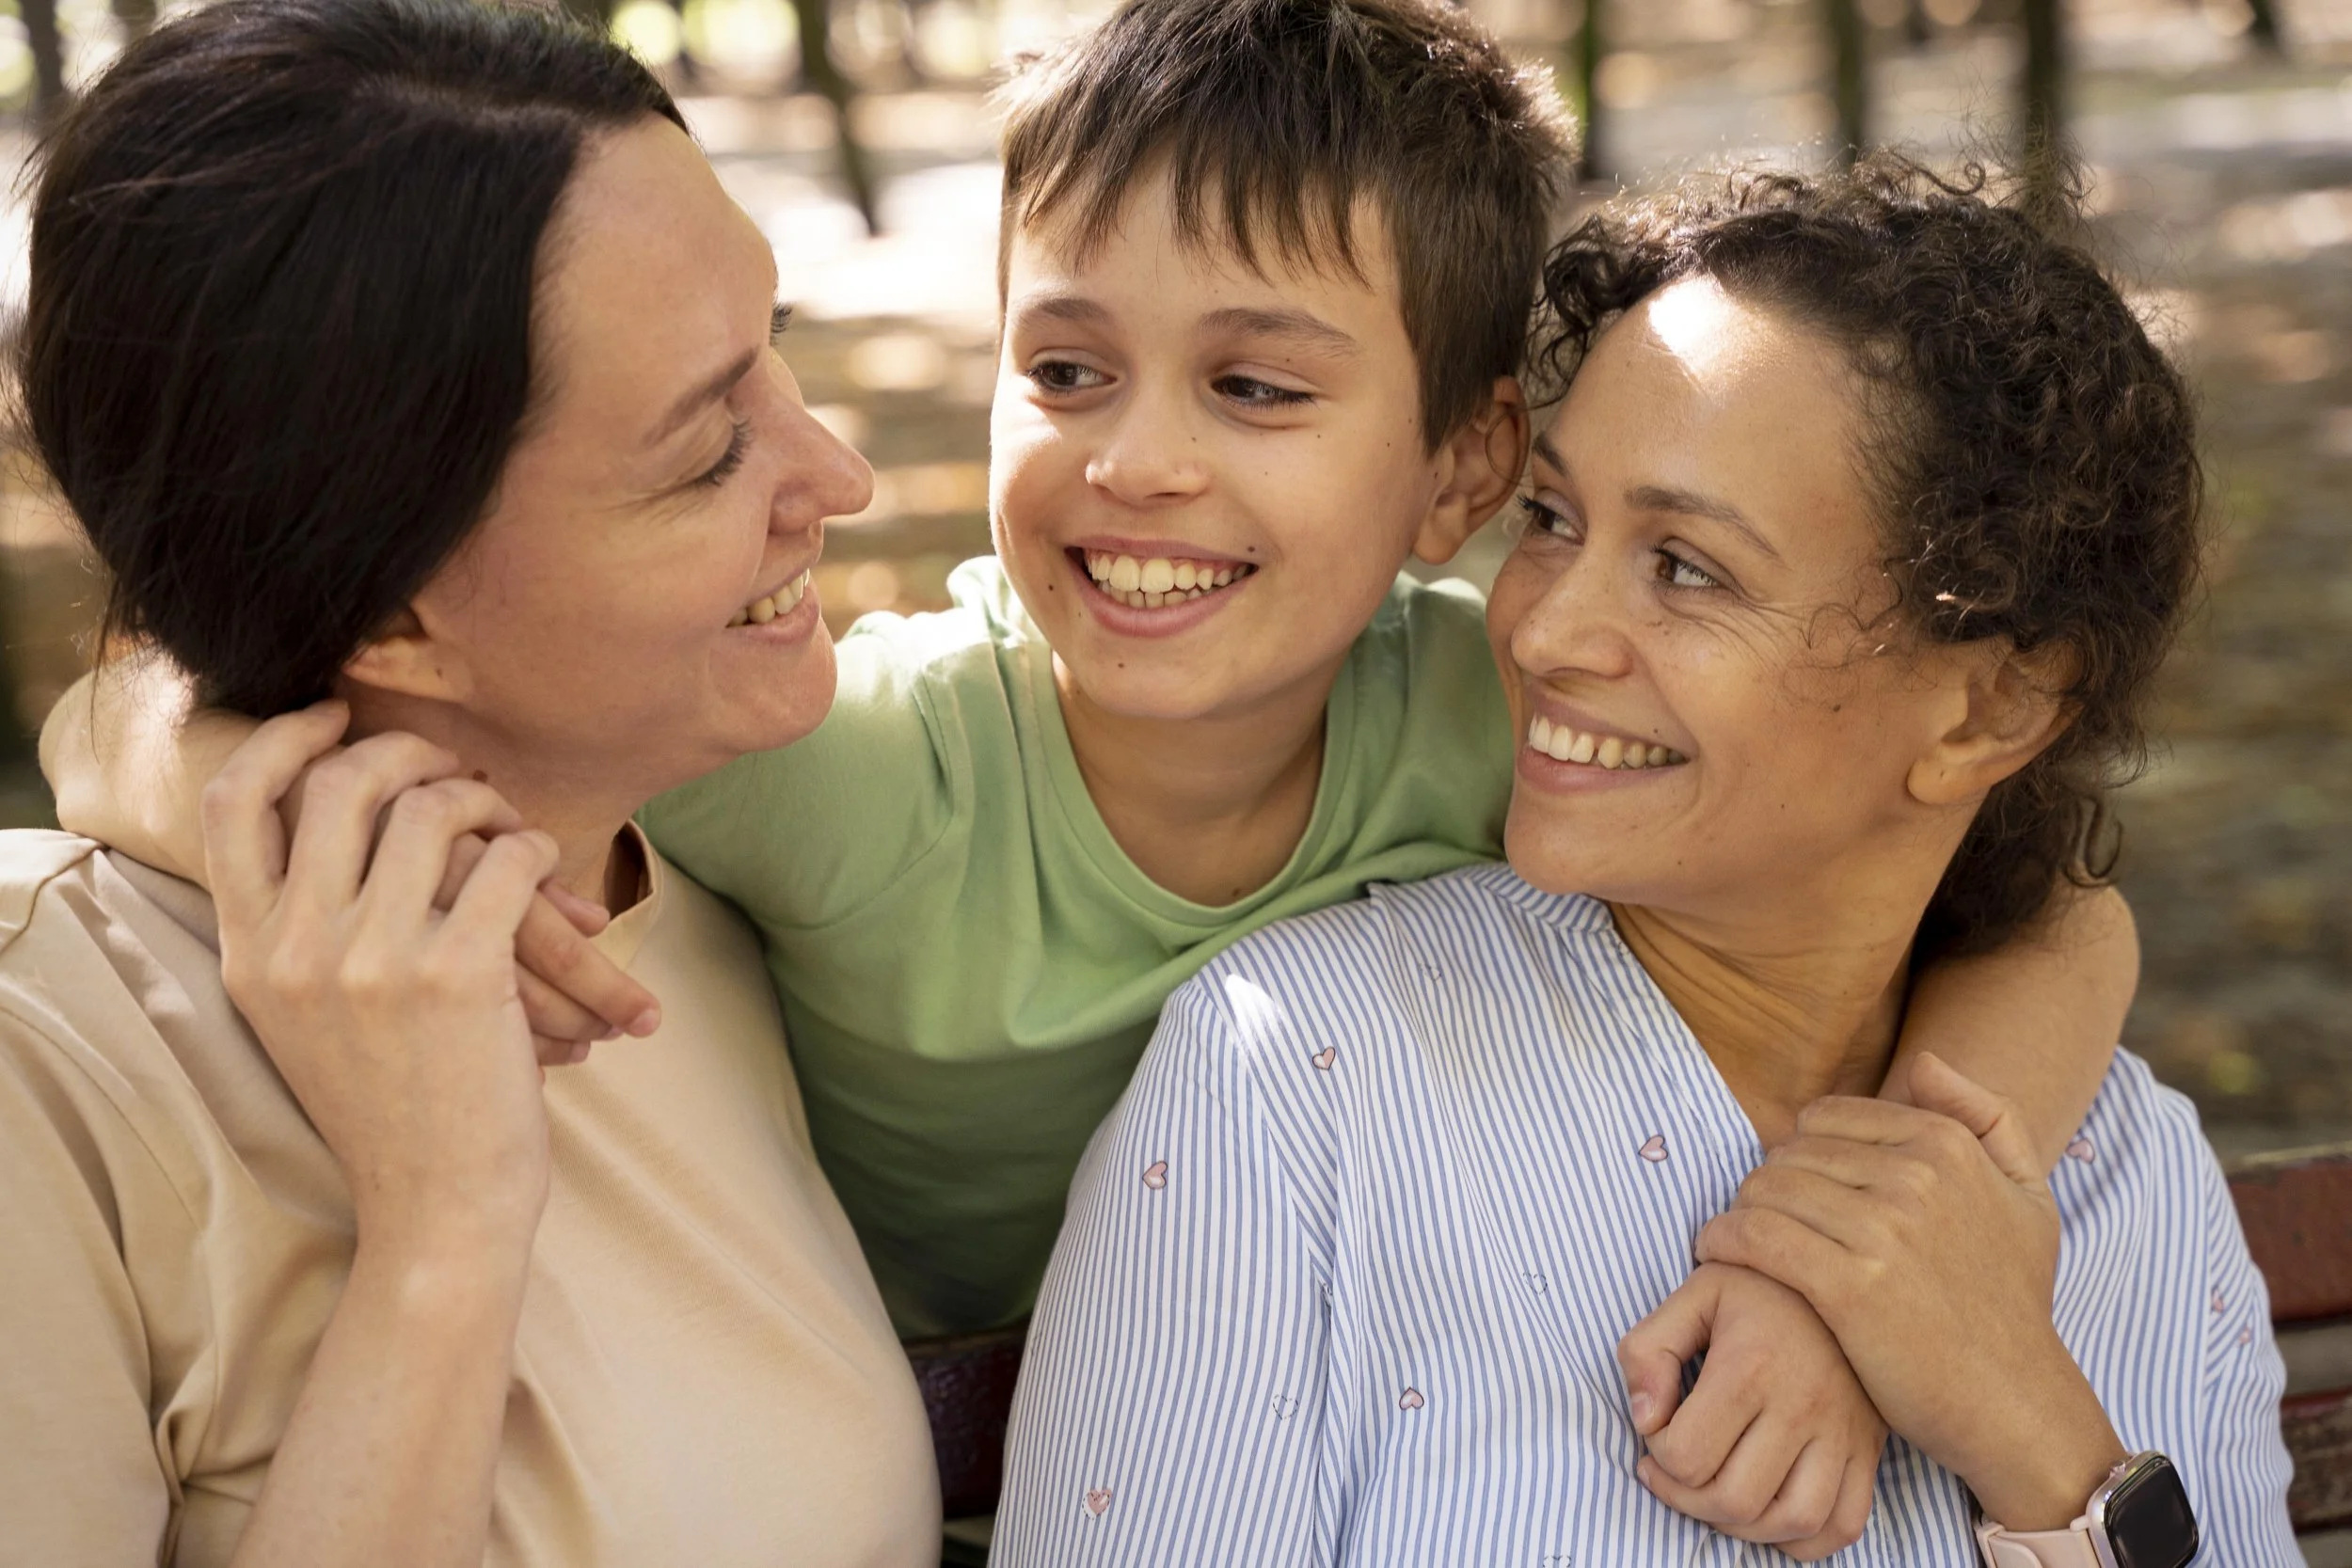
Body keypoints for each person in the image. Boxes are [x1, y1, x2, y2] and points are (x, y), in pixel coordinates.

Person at [48, 0, 2145, 1547]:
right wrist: (200, 766)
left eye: (1255, 388)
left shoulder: (1505, 714)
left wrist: (1855, 1243)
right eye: (1063, 369)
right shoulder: (853, 772)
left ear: (1462, 466)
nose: (1135, 460)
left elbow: (2043, 907)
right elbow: (301, 638)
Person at [993, 158, 2298, 1565]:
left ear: (1991, 707)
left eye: (1686, 567)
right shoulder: (1296, 1091)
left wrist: (2043, 1444)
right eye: (1553, 521)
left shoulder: (2128, 1172)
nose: (1543, 632)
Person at [0, 2, 936, 1563]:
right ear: (388, 612)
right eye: (708, 452)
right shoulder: (49, 1077)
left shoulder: (718, 865)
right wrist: (444, 1226)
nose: (837, 478)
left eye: (772, 353)